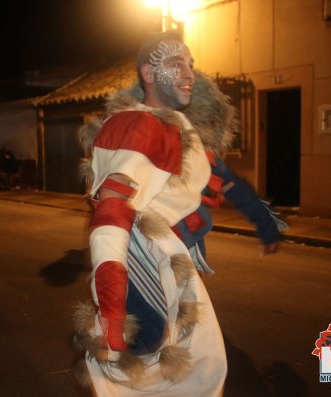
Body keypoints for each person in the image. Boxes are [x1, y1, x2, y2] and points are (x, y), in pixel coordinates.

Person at [73, 31, 285, 396]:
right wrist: (111, 307)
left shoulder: (178, 127)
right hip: (141, 256)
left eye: (191, 64)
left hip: (172, 253)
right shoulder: (138, 125)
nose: (189, 73)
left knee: (199, 355)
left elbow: (227, 180)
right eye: (176, 64)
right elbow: (111, 212)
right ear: (149, 74)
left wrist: (267, 226)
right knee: (146, 345)